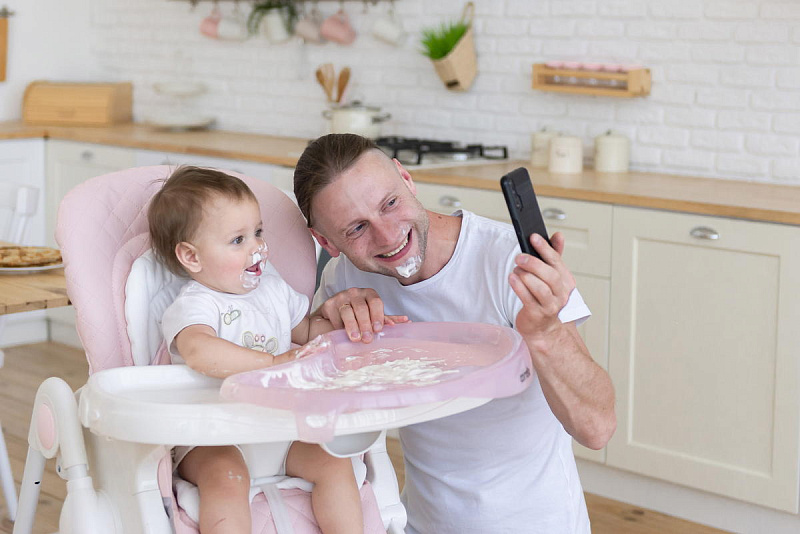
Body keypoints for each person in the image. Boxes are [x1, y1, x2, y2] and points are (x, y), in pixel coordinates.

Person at [293, 134, 617, 533]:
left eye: (390, 203)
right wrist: (323, 329)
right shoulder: (345, 280)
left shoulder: (507, 262)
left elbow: (597, 428)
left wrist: (547, 332)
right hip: (421, 522)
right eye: (357, 228)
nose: (388, 236)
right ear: (326, 242)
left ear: (406, 179)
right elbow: (319, 410)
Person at [147, 166, 390, 534]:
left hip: (280, 430)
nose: (257, 248)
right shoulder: (195, 304)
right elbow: (199, 351)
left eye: (258, 232)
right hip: (214, 437)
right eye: (238, 240)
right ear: (192, 257)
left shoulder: (273, 291)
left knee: (333, 463)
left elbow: (307, 331)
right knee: (226, 479)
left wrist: (353, 330)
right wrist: (273, 362)